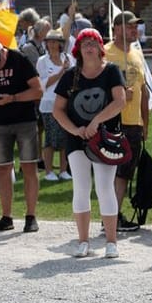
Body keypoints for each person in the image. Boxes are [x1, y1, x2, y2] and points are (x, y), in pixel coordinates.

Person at [53, 27, 129, 258]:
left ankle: (111, 241)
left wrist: (96, 122)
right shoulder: (70, 75)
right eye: (84, 42)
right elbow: (57, 110)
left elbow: (120, 101)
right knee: (81, 187)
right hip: (77, 140)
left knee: (105, 187)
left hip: (106, 138)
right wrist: (75, 129)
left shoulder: (112, 71)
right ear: (78, 49)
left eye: (93, 42)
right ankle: (83, 240)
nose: (88, 46)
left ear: (100, 48)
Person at [0, 35, 43, 234]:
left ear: (2, 51)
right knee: (2, 170)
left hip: (25, 121)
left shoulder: (20, 59)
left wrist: (13, 98)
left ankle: (31, 216)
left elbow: (38, 90)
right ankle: (6, 217)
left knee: (29, 167)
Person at [103, 10, 152, 229]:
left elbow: (143, 91)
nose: (135, 30)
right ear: (116, 28)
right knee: (110, 172)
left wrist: (145, 123)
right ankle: (109, 218)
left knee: (124, 173)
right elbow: (94, 87)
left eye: (135, 26)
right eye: (130, 26)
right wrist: (119, 93)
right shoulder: (105, 53)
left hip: (133, 123)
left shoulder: (136, 54)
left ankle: (114, 216)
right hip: (112, 120)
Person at [35, 30, 72, 183]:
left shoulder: (68, 59)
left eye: (55, 41)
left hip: (65, 103)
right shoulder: (42, 61)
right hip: (49, 104)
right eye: (49, 41)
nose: (52, 44)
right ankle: (49, 170)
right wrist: (61, 72)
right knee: (50, 138)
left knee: (65, 137)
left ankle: (63, 170)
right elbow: (43, 84)